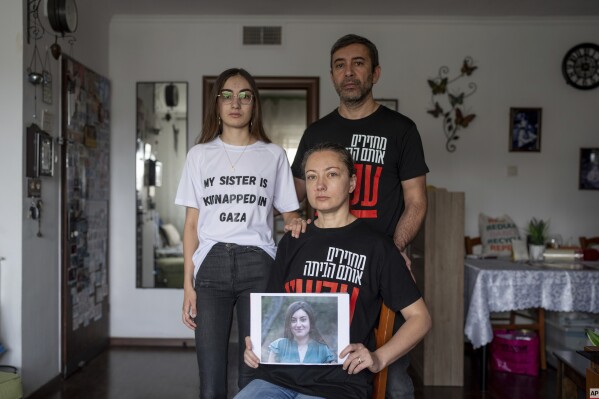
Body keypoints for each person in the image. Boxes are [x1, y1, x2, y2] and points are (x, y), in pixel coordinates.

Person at [290, 34, 429, 398]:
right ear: (332, 76)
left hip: (383, 264)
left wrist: (395, 248)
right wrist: (296, 219)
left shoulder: (401, 130)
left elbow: (416, 201)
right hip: (329, 265)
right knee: (327, 358)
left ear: (375, 73)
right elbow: (293, 196)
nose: (348, 72)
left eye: (358, 63)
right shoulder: (317, 132)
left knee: (393, 377)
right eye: (340, 65)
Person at [235, 142, 432, 399]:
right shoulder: (293, 240)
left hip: (339, 386)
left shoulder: (377, 246)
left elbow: (421, 318)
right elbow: (271, 312)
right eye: (311, 177)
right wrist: (255, 345)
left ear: (351, 183)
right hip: (275, 379)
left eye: (332, 174)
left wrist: (378, 358)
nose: (320, 185)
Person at [175, 67, 304, 399]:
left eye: (245, 96)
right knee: (211, 375)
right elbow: (191, 225)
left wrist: (295, 222)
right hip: (212, 264)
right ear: (217, 104)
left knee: (255, 370)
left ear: (254, 104)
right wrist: (187, 284)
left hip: (258, 264)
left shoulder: (273, 155)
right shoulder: (199, 155)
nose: (236, 103)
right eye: (227, 96)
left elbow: (290, 212)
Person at [267, 301, 336, 364]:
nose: (298, 325)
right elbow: (270, 374)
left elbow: (334, 373)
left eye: (303, 320)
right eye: (293, 320)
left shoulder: (322, 349)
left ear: (310, 322)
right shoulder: (278, 346)